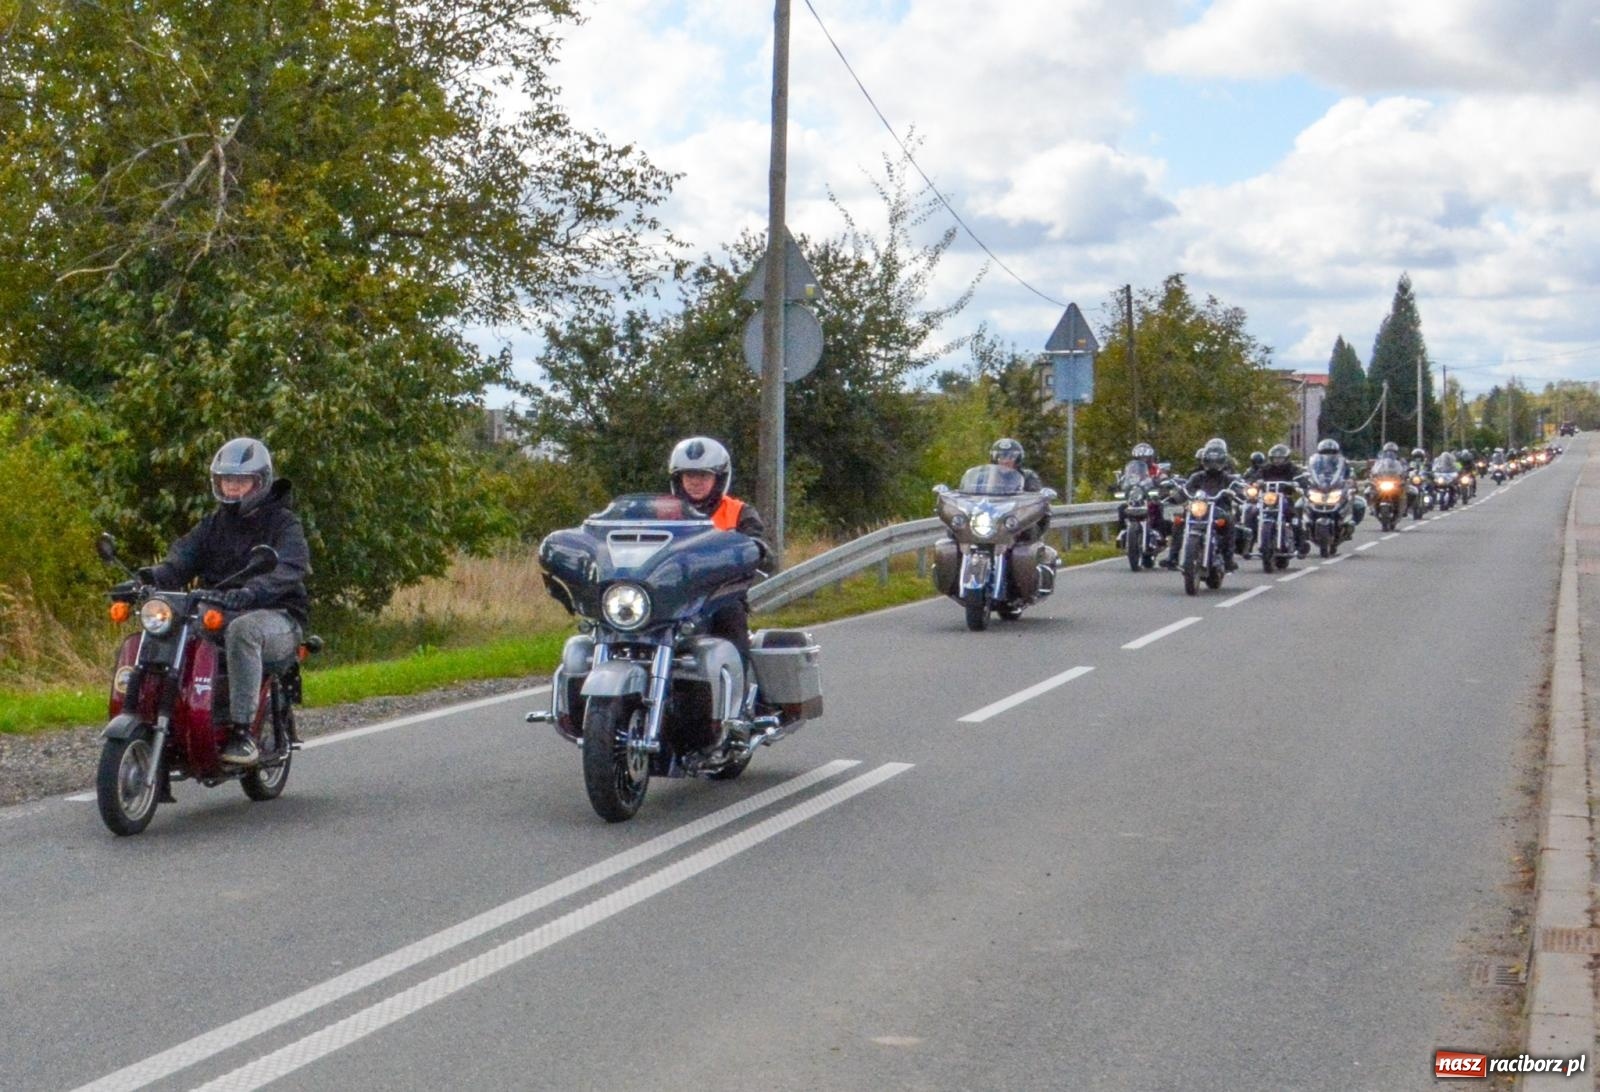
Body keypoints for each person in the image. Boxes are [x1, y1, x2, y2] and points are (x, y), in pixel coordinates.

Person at [140, 438, 310, 767]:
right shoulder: (214, 524)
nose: (232, 488)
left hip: (277, 616)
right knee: (173, 622)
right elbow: (182, 559)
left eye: (240, 481)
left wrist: (252, 591)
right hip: (222, 609)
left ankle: (242, 732)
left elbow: (289, 568)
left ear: (260, 482)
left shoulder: (284, 524)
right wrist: (151, 578)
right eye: (226, 480)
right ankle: (176, 715)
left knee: (243, 631)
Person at [668, 436, 770, 670]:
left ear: (718, 478)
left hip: (721, 595)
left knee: (729, 615)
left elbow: (760, 545)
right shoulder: (664, 513)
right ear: (678, 478)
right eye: (689, 475)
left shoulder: (739, 512)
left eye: (703, 475)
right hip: (673, 595)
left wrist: (757, 549)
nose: (696, 482)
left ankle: (738, 690)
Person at [1162, 439, 1240, 571]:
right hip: (1198, 509)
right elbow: (1185, 489)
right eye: (1210, 461)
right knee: (1179, 522)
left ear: (1223, 462)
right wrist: (1175, 497)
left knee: (1229, 523)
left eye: (1216, 461)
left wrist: (1239, 493)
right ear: (1204, 461)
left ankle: (1228, 559)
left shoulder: (1228, 478)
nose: (1213, 464)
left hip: (1219, 510)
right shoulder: (1197, 476)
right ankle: (1173, 557)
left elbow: (1238, 489)